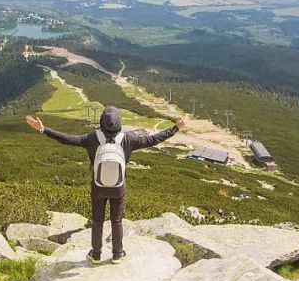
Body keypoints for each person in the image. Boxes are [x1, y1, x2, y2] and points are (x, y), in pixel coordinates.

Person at [26, 106, 185, 264]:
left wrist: (42, 129)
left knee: (97, 221)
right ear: (119, 123)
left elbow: (67, 139)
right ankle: (117, 254)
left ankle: (96, 254)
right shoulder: (129, 139)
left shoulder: (91, 138)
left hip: (98, 187)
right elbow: (154, 139)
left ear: (101, 122)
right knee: (117, 221)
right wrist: (176, 128)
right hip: (118, 187)